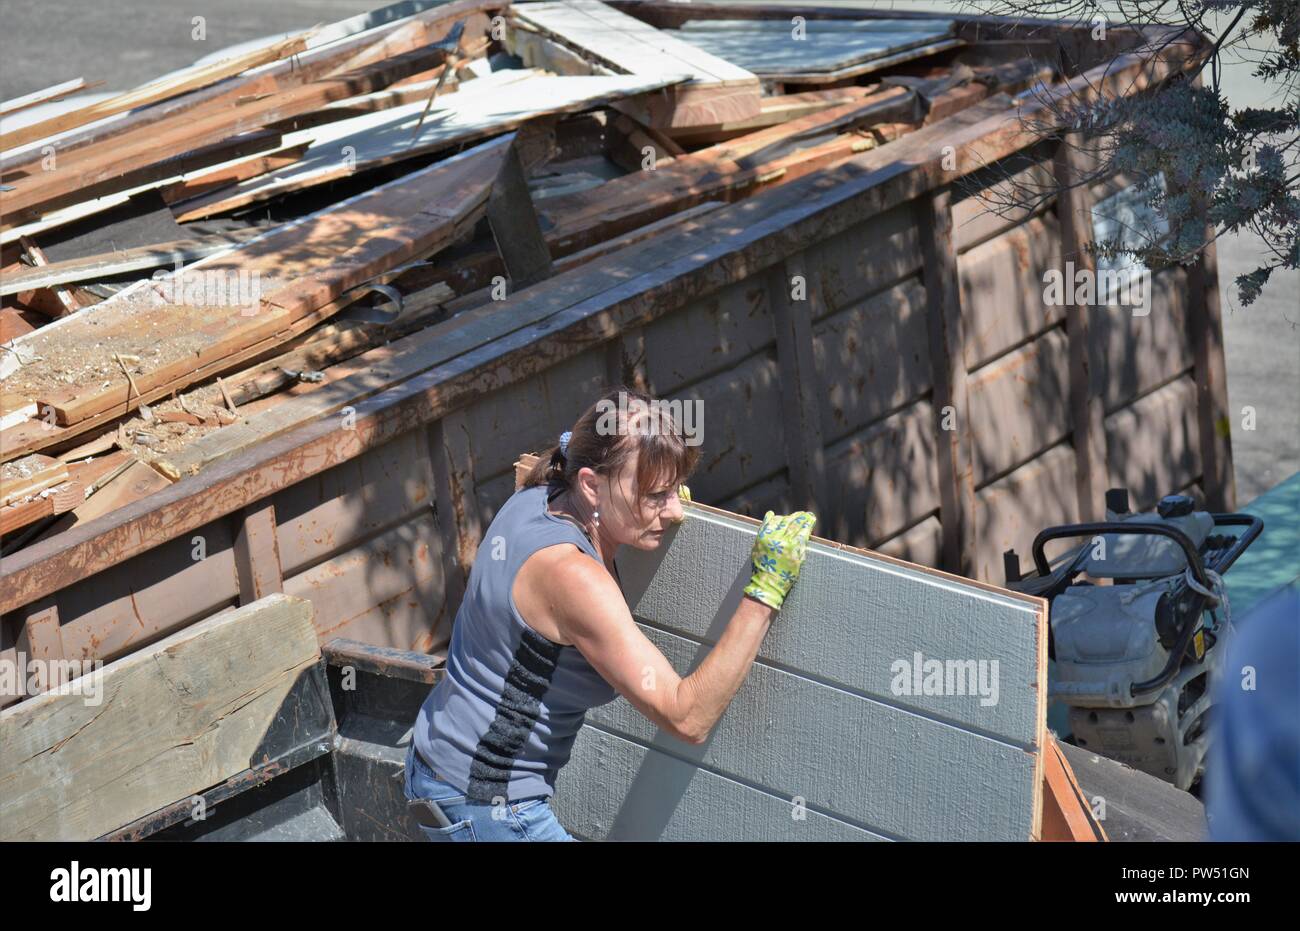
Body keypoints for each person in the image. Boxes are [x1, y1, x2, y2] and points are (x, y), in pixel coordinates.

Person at [404, 386, 816, 841]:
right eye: (656, 495)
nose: (676, 511)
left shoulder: (537, 493)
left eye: (674, 489)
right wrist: (765, 591)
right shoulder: (573, 578)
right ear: (590, 484)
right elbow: (687, 717)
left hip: (435, 764)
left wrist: (643, 507)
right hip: (487, 805)